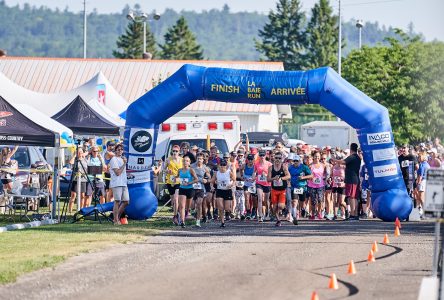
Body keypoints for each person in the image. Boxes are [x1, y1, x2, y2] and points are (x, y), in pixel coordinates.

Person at [331, 143, 361, 220]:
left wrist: (334, 160)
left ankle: (353, 215)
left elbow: (343, 162)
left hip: (351, 179)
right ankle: (355, 214)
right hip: (355, 179)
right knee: (354, 197)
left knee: (351, 197)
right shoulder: (358, 157)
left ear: (351, 149)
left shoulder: (352, 157)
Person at [267, 151, 290, 226]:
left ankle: (285, 210)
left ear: (282, 159)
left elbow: (289, 176)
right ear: (274, 158)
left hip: (282, 190)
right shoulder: (271, 167)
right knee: (274, 207)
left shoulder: (284, 167)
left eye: (279, 158)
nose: (277, 159)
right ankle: (278, 220)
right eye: (276, 158)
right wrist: (274, 178)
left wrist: (281, 178)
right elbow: (268, 179)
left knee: (280, 206)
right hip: (274, 190)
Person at [288, 154, 312, 224]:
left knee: (302, 202)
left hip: (302, 187)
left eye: (297, 161)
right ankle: (294, 217)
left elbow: (311, 175)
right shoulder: (290, 168)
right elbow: (287, 175)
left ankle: (303, 209)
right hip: (294, 187)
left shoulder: (304, 167)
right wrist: (288, 181)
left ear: (299, 161)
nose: (295, 162)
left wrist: (303, 178)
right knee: (294, 202)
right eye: (294, 161)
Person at [211, 159, 235, 228]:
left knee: (227, 208)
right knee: (220, 208)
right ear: (219, 166)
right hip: (220, 191)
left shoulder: (229, 172)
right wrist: (212, 187)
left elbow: (234, 180)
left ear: (226, 166)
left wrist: (231, 184)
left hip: (227, 191)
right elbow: (212, 181)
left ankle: (230, 212)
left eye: (224, 165)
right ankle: (222, 222)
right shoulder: (217, 173)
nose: (222, 166)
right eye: (221, 165)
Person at [109, 143, 129, 225]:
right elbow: (117, 172)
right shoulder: (114, 159)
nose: (120, 151)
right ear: (115, 151)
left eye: (121, 149)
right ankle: (115, 219)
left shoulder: (122, 159)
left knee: (126, 201)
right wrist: (124, 164)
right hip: (117, 183)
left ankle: (117, 217)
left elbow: (122, 172)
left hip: (123, 183)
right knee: (117, 201)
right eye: (118, 149)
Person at [178, 156, 198, 228]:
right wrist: (175, 179)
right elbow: (177, 177)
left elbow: (196, 179)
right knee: (182, 206)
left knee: (187, 207)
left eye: (187, 161)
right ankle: (182, 221)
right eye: (184, 161)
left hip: (190, 189)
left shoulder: (191, 170)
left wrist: (189, 183)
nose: (185, 162)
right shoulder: (179, 170)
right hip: (182, 189)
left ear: (189, 163)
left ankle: (187, 212)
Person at [191, 153, 211, 227]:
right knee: (192, 205)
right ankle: (193, 211)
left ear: (203, 160)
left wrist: (206, 180)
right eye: (198, 158)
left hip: (201, 188)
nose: (199, 160)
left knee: (199, 203)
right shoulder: (192, 166)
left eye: (200, 159)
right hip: (192, 187)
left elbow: (210, 178)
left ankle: (198, 221)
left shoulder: (205, 168)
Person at [165, 145, 183, 225]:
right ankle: (177, 212)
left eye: (176, 151)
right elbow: (163, 169)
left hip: (178, 181)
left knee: (176, 199)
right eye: (173, 151)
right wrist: (167, 171)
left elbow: (186, 169)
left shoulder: (182, 160)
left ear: (179, 152)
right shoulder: (168, 159)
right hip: (170, 181)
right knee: (173, 201)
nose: (175, 152)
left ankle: (175, 216)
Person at [307, 151, 326, 220]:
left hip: (320, 185)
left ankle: (319, 213)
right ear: (313, 157)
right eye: (316, 156)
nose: (317, 158)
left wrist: (326, 178)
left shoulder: (323, 165)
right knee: (313, 201)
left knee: (320, 199)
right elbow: (307, 175)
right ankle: (312, 214)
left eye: (318, 156)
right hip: (312, 185)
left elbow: (326, 174)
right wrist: (310, 177)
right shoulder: (310, 166)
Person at [68, 147, 88, 213]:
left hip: (83, 179)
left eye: (81, 152)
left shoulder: (85, 160)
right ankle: (70, 210)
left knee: (82, 195)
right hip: (75, 180)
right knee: (73, 195)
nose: (80, 153)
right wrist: (74, 156)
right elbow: (70, 163)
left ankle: (81, 210)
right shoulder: (75, 160)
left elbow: (88, 168)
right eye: (79, 152)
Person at [254, 149, 272, 222]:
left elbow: (272, 174)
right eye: (260, 155)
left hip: (267, 183)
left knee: (266, 200)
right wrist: (253, 177)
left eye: (263, 155)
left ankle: (267, 213)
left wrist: (267, 175)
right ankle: (260, 215)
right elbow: (254, 172)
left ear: (265, 155)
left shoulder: (269, 164)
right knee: (260, 198)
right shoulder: (256, 164)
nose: (262, 157)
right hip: (259, 183)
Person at [416, 152, 430, 218]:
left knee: (421, 197)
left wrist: (418, 183)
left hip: (422, 181)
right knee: (421, 197)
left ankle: (425, 211)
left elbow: (420, 175)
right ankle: (421, 210)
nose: (418, 158)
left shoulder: (422, 165)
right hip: (426, 181)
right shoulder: (427, 164)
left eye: (419, 157)